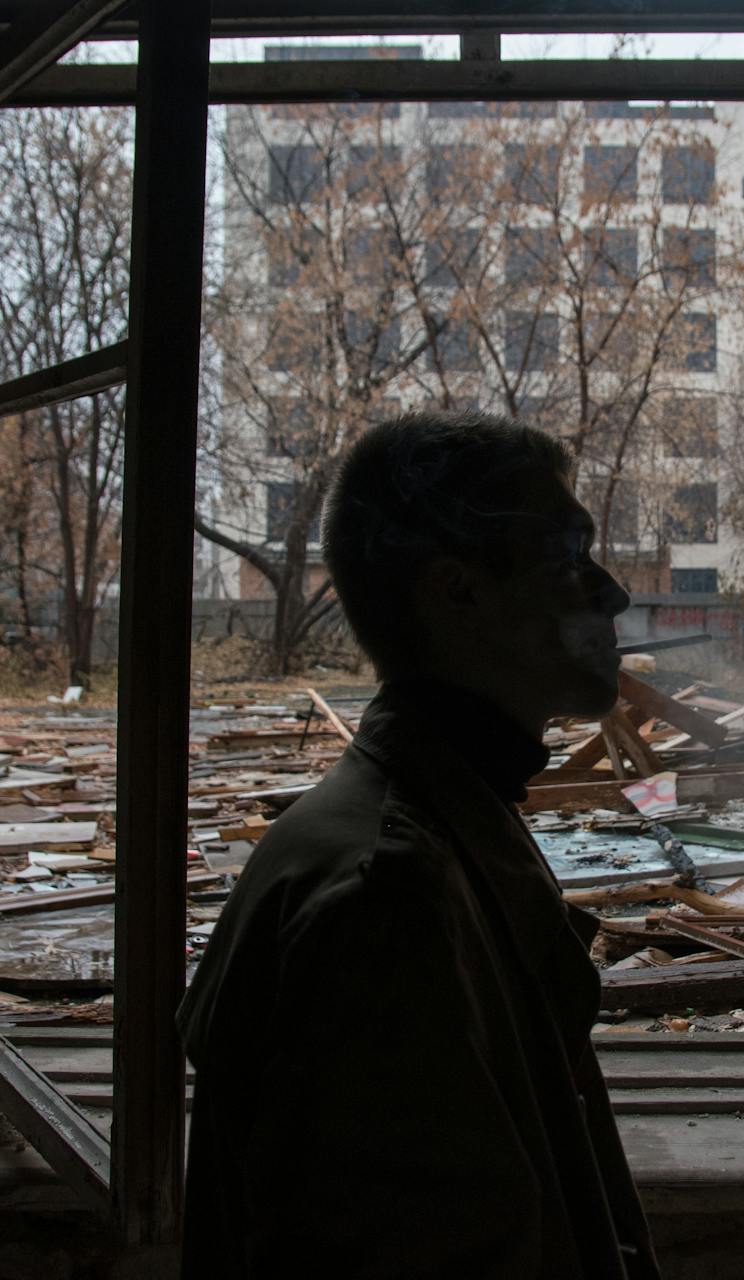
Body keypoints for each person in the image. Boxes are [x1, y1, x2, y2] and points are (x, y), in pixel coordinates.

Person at [178, 409, 658, 1278]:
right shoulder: (384, 900)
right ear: (457, 592)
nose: (612, 594)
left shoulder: (442, 812)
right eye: (569, 556)